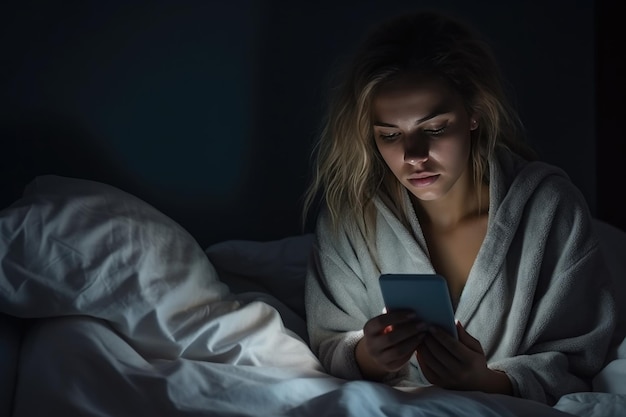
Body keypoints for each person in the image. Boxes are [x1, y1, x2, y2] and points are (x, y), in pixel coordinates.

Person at [302, 10, 616, 406]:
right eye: (389, 135)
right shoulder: (352, 218)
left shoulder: (549, 210)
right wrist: (368, 356)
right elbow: (330, 340)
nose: (413, 156)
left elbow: (579, 359)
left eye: (434, 128)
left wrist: (487, 382)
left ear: (474, 115)